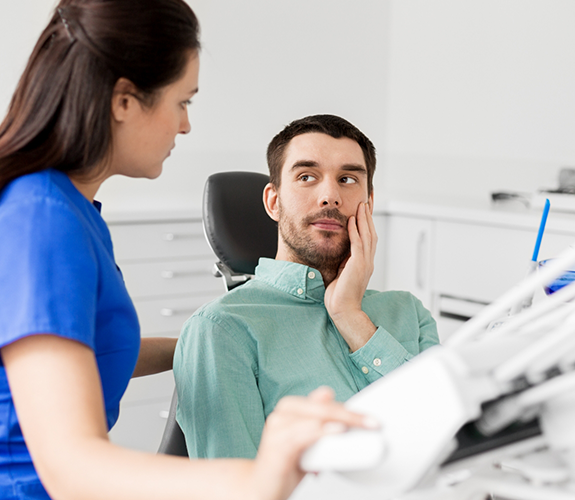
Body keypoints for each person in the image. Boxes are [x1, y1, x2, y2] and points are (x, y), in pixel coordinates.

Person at [0, 3, 375, 500]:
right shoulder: (43, 219)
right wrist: (262, 477)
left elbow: (81, 352)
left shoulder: (75, 211)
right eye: (183, 102)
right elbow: (70, 468)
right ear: (124, 102)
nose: (185, 126)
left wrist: (228, 341)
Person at [174, 114, 440, 459]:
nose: (330, 196)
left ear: (369, 204)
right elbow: (234, 486)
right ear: (273, 201)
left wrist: (350, 316)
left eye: (347, 179)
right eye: (306, 177)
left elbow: (449, 436)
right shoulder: (222, 329)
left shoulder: (409, 312)